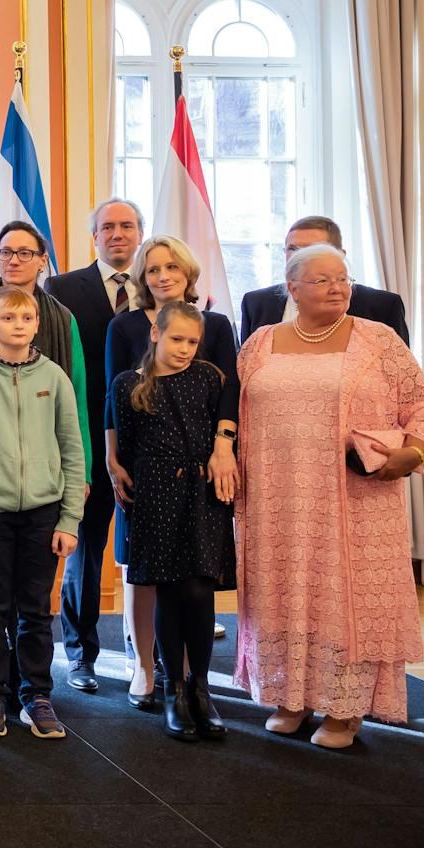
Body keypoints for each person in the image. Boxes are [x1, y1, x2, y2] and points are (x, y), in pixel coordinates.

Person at [234, 244, 424, 748]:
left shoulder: (378, 340)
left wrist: (413, 452)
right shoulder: (260, 343)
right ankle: (291, 696)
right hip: (274, 503)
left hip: (356, 505)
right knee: (281, 593)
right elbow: (233, 415)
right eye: (323, 280)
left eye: (343, 279)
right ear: (293, 289)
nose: (338, 288)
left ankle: (345, 709)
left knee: (343, 598)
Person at [103, 234, 240, 707]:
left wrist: (224, 446)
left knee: (195, 579)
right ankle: (145, 666)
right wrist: (111, 457)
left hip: (202, 470)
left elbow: (230, 392)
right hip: (145, 470)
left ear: (188, 274)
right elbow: (113, 396)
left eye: (172, 268)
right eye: (153, 269)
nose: (162, 277)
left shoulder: (215, 327)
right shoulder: (124, 328)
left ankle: (187, 679)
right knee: (142, 570)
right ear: (143, 277)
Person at [0, 285, 85, 740]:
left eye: (26, 319)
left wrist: (70, 519)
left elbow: (72, 447)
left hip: (44, 512)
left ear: (37, 325)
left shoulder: (55, 378)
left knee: (34, 607)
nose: (18, 326)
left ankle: (36, 694)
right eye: (8, 318)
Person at [44, 197, 144, 695]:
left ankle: (145, 654)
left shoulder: (160, 287)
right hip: (85, 436)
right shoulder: (61, 288)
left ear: (139, 233)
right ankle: (80, 653)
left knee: (148, 553)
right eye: (108, 226)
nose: (118, 234)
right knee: (85, 549)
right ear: (95, 236)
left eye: (127, 225)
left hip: (149, 444)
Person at [238, 215, 409, 345]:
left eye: (313, 249)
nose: (300, 257)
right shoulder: (256, 303)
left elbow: (402, 380)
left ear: (340, 255)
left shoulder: (381, 306)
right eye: (293, 249)